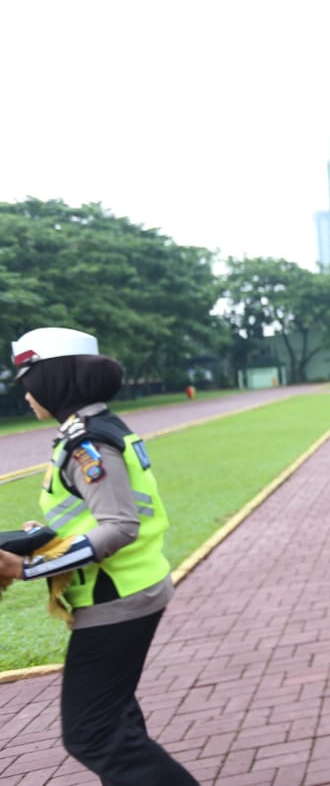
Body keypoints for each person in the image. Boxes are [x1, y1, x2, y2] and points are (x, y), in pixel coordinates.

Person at [0, 327, 197, 785]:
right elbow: (95, 514)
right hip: (127, 590)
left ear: (54, 380)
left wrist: (27, 567)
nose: (26, 394)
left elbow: (120, 525)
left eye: (29, 380)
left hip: (118, 597)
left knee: (92, 733)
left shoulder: (88, 443)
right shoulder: (93, 429)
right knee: (114, 718)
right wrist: (41, 537)